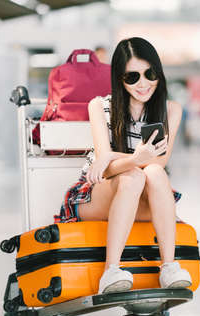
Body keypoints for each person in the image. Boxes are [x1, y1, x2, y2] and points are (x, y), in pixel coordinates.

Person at [55, 37, 192, 294]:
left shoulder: (170, 110)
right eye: (132, 77)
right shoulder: (100, 106)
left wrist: (112, 156)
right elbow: (106, 171)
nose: (143, 84)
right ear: (119, 78)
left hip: (145, 196)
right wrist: (128, 160)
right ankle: (111, 271)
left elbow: (159, 161)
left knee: (152, 172)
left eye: (150, 73)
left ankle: (169, 267)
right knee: (133, 176)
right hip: (98, 195)